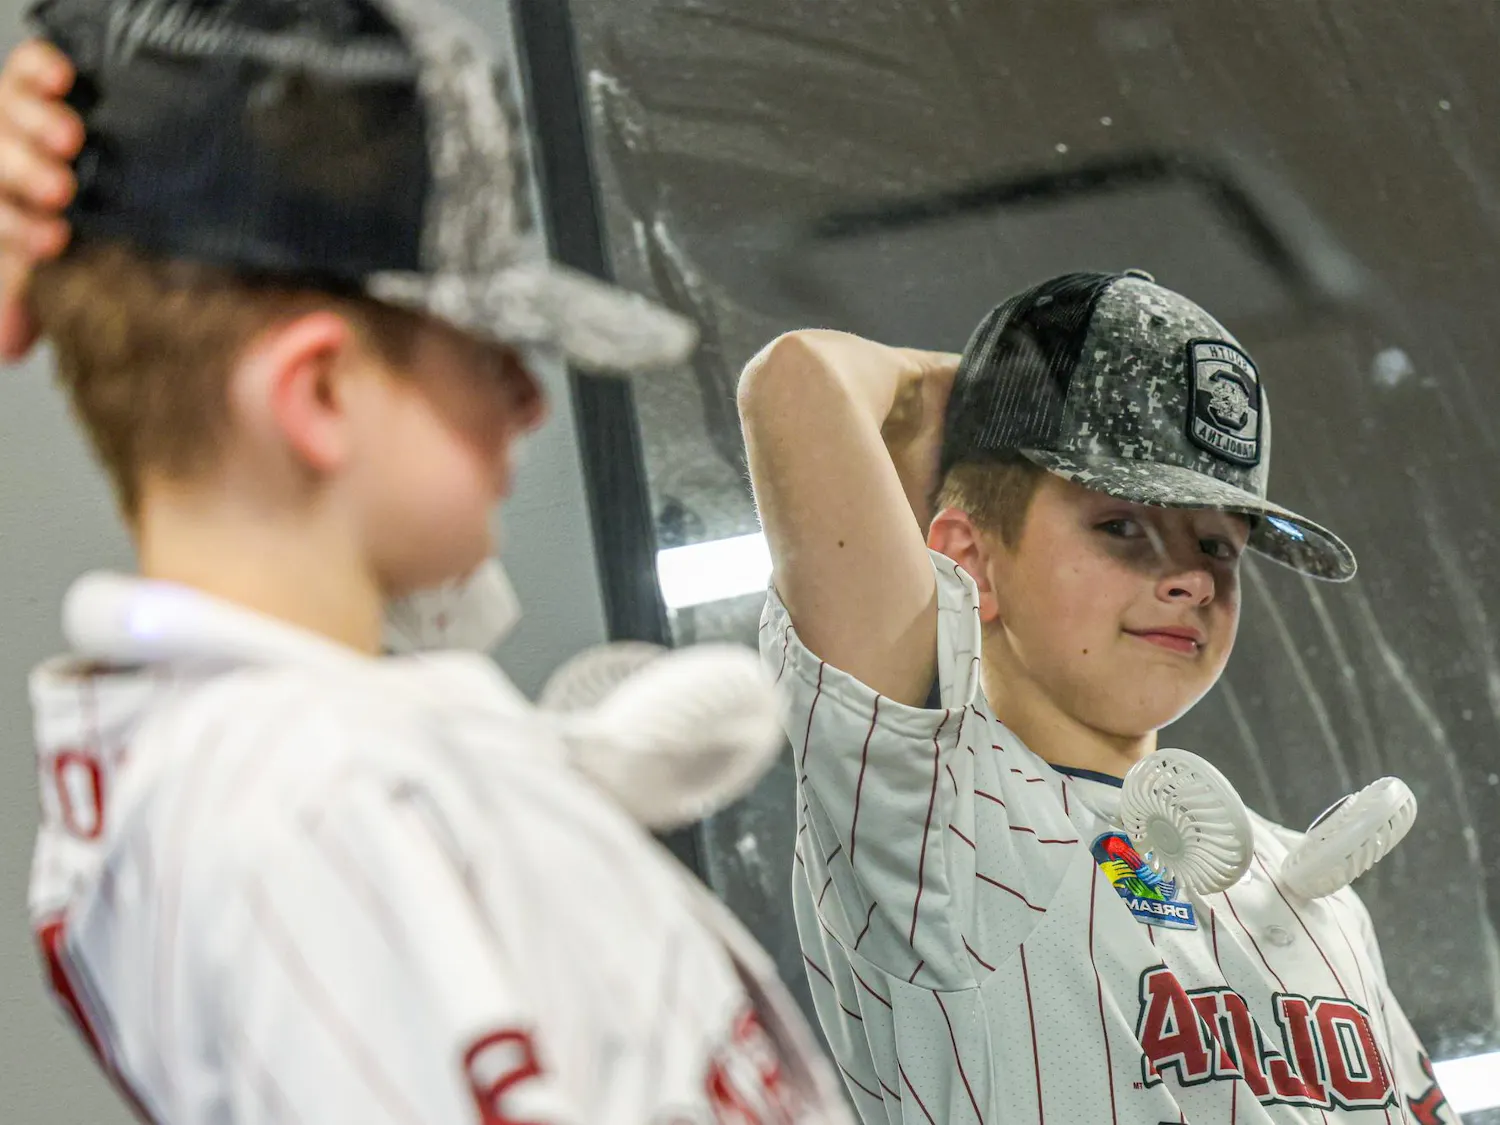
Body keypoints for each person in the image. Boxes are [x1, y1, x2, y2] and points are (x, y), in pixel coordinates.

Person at [0, 3, 852, 1122]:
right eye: (487, 350)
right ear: (316, 396)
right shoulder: (312, 809)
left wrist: (538, 784)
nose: (528, 400)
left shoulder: (295, 759)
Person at [738, 281, 1462, 1122]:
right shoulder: (936, 823)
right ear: (969, 561)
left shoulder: (1313, 888)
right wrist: (977, 398)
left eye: (1218, 544)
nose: (1192, 577)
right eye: (1123, 525)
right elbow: (797, 380)